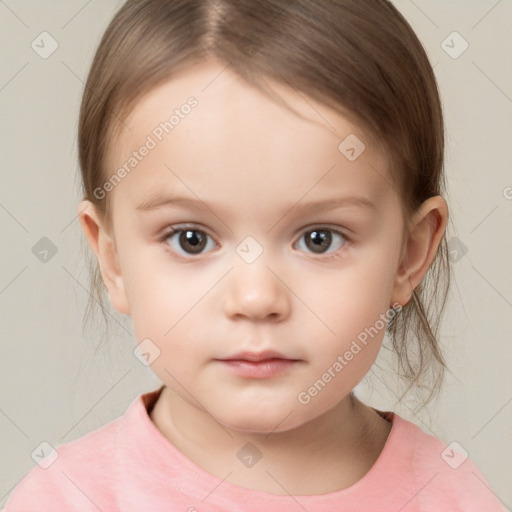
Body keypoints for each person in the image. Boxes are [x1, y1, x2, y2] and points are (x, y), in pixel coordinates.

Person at [3, 0, 506, 510]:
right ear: (112, 259)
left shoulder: (454, 498)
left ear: (409, 255)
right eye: (191, 239)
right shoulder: (66, 500)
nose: (256, 298)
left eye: (319, 238)